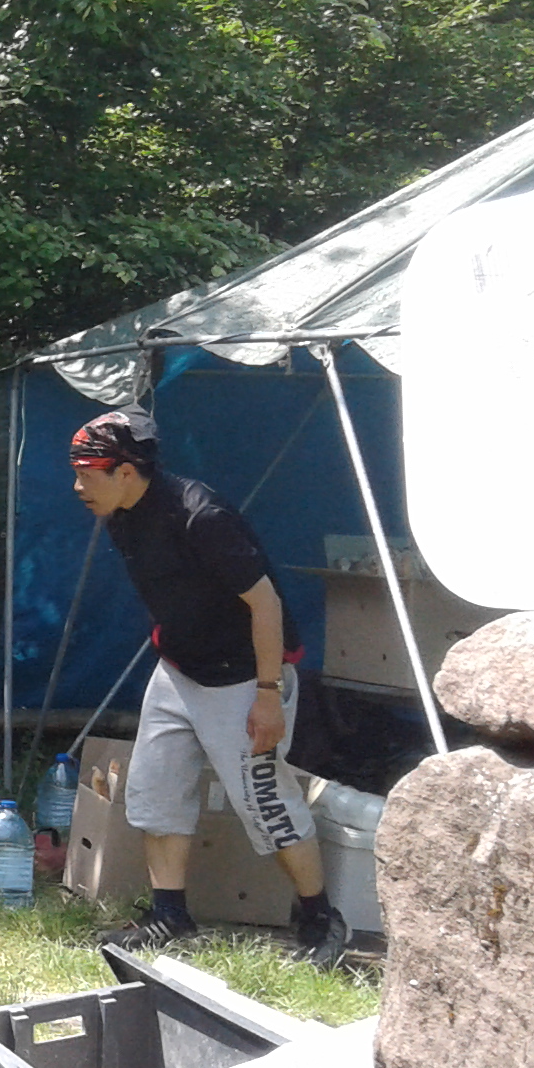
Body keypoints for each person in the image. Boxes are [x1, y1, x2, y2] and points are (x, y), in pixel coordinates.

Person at [68, 406, 348, 968]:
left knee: (264, 803)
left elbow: (265, 604)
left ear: (127, 471)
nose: (78, 487)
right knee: (154, 792)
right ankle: (170, 915)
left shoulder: (203, 516)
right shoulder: (121, 514)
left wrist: (268, 694)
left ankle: (321, 920)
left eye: (86, 474)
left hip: (245, 678)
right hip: (177, 669)